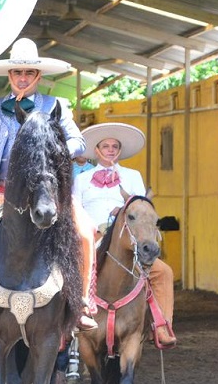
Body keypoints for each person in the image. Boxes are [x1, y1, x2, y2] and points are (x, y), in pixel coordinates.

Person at [0, 38, 96, 331]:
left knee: (86, 233)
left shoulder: (56, 106)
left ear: (38, 76)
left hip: (46, 191)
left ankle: (81, 304)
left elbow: (78, 141)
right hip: (3, 191)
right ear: (10, 76)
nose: (23, 78)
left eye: (28, 73)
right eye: (17, 73)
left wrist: (58, 146)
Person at [73, 122, 177, 348]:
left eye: (114, 146)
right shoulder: (81, 180)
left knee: (164, 272)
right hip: (94, 238)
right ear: (97, 150)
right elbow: (74, 211)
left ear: (119, 151)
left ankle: (161, 326)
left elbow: (140, 209)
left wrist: (122, 213)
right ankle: (63, 329)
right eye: (105, 146)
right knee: (65, 271)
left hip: (127, 240)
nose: (110, 149)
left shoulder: (132, 176)